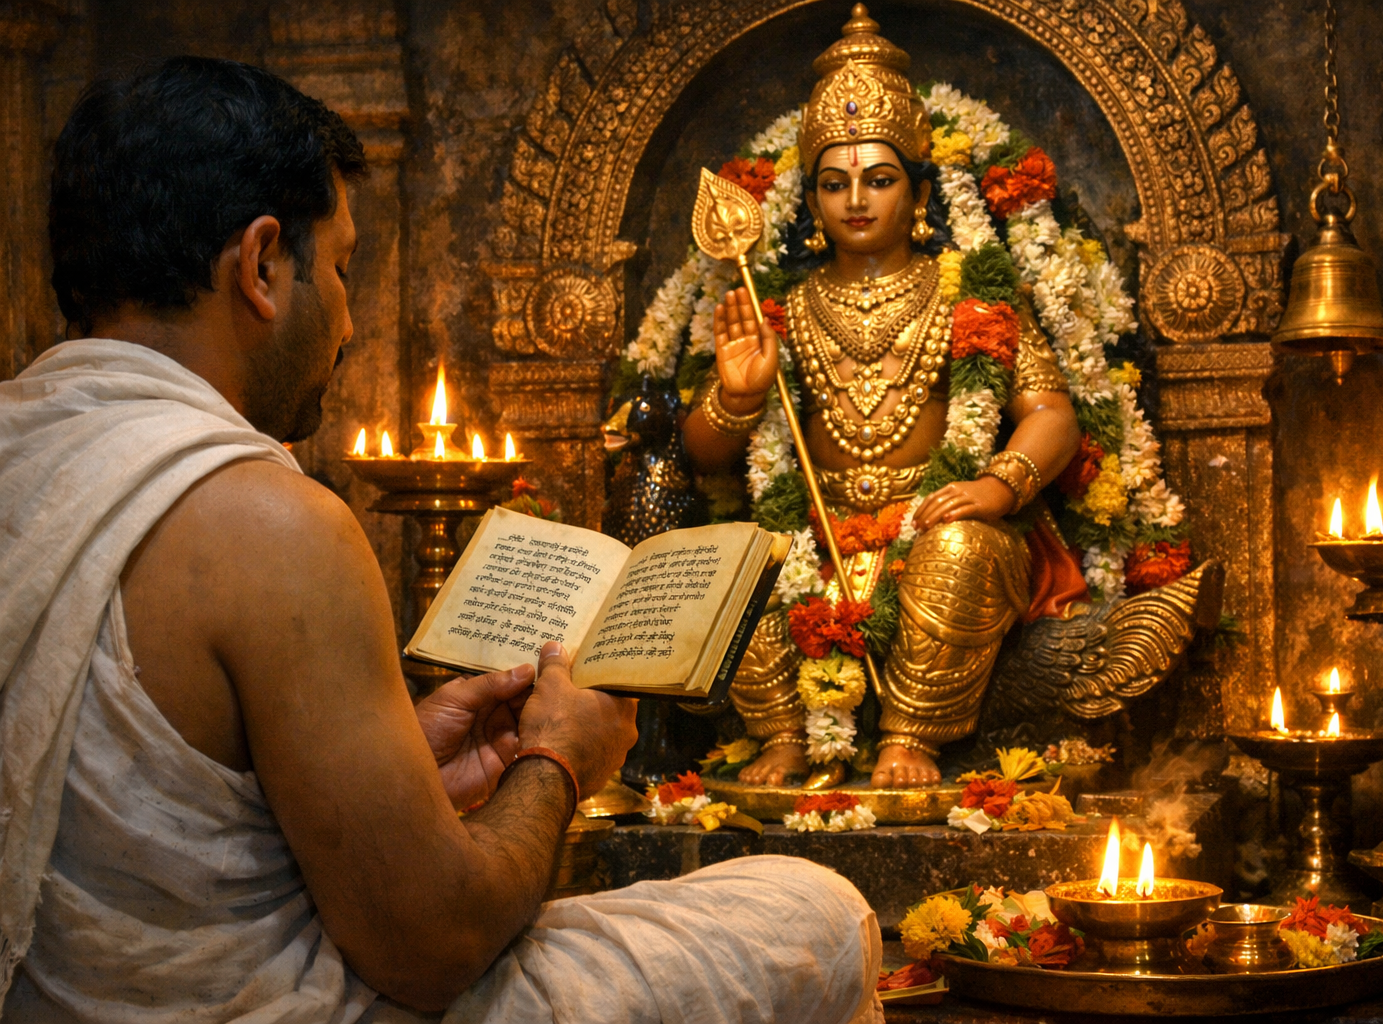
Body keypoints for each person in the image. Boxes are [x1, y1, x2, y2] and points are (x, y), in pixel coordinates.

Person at [0, 56, 880, 1023]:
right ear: (260, 265)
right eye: (342, 269)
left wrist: (401, 769)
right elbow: (435, 950)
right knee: (818, 912)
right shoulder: (265, 521)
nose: (346, 322)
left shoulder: (21, 453)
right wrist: (557, 759)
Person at [681, 7, 1088, 791]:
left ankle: (914, 736)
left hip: (935, 518)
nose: (856, 200)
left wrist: (997, 486)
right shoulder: (781, 310)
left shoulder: (971, 295)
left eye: (879, 179)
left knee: (962, 550)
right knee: (738, 560)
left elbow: (1051, 414)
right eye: (834, 184)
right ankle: (784, 736)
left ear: (920, 191)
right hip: (812, 526)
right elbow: (704, 454)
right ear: (812, 203)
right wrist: (738, 396)